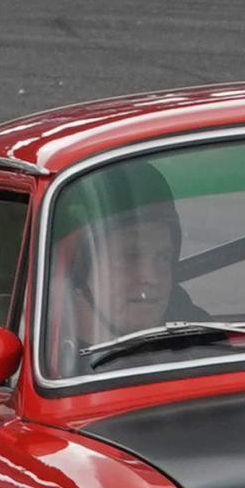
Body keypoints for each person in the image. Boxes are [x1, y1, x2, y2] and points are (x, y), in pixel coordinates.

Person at [46, 159, 205, 373]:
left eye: (163, 258)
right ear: (78, 268)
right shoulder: (42, 360)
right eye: (130, 257)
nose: (151, 278)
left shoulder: (200, 337)